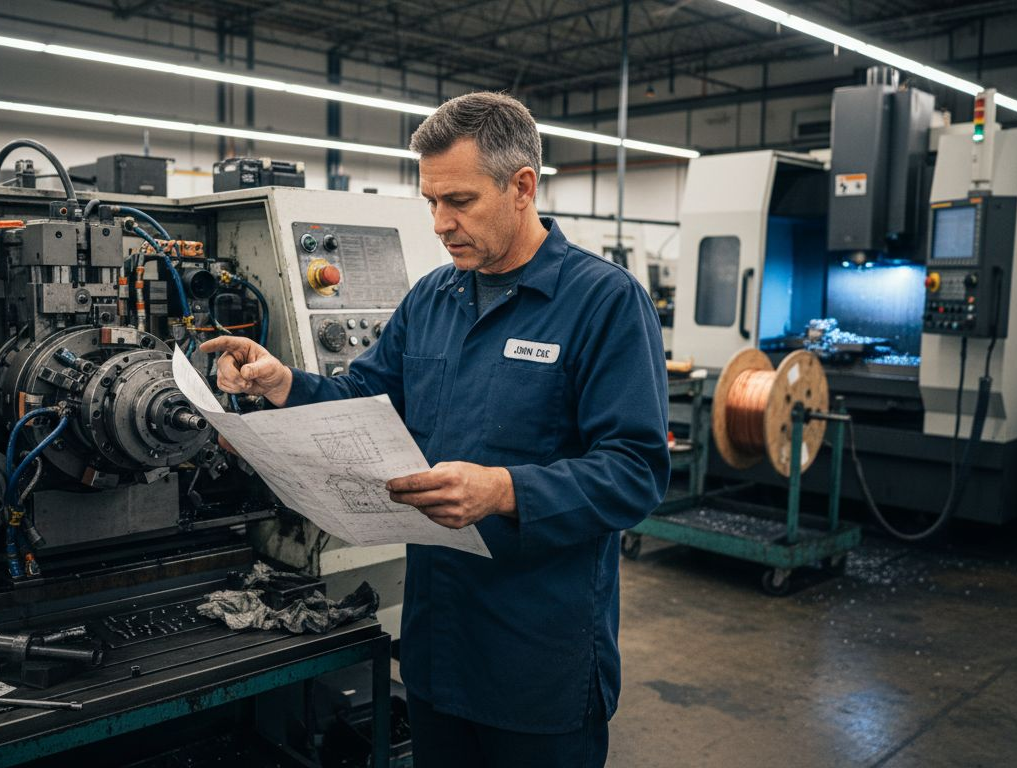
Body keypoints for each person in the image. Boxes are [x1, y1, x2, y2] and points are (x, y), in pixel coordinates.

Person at [200, 91, 669, 768]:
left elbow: (636, 472)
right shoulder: (434, 298)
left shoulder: (604, 303)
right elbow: (362, 398)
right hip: (437, 646)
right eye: (430, 203)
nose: (440, 224)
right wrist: (282, 383)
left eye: (460, 201)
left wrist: (505, 489)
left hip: (539, 661)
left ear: (522, 187)